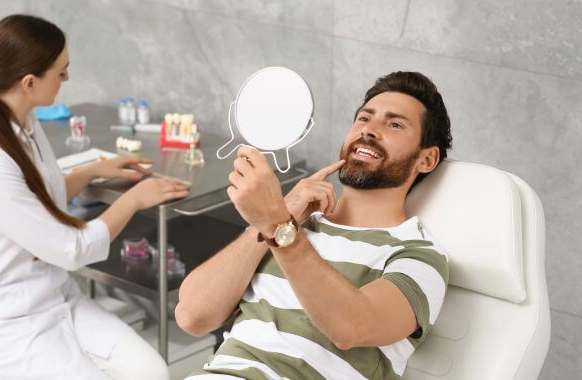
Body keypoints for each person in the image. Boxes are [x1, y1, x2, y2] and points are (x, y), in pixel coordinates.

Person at [0, 14, 185, 380]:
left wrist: (91, 172)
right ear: (29, 82)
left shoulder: (24, 123)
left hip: (55, 298)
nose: (66, 79)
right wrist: (134, 199)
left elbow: (40, 194)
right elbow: (71, 249)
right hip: (2, 321)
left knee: (151, 371)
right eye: (60, 72)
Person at [176, 71, 453, 379]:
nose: (370, 131)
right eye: (364, 119)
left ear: (426, 159)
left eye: (394, 124)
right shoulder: (289, 225)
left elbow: (352, 327)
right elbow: (192, 316)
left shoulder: (418, 256)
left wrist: (278, 225)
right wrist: (274, 220)